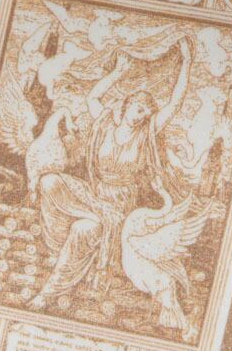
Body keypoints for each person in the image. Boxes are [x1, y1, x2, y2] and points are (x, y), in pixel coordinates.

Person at [29, 38, 192, 308]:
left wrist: (187, 61)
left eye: (146, 113)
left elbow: (175, 103)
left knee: (84, 228)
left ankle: (49, 291)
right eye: (139, 109)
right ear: (127, 105)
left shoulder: (146, 133)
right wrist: (117, 72)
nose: (141, 116)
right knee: (49, 181)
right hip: (94, 195)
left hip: (118, 206)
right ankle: (58, 242)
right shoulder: (105, 122)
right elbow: (92, 97)